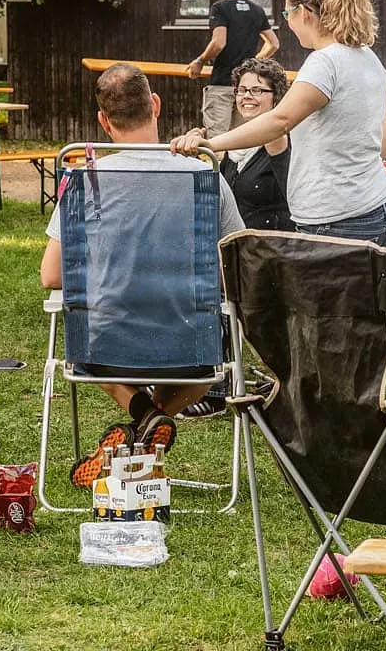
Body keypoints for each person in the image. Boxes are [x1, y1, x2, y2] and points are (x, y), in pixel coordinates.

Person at [40, 63, 245, 487]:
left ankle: (142, 418)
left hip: (105, 350)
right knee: (214, 348)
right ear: (155, 105)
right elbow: (238, 262)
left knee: (86, 332)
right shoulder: (204, 175)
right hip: (191, 349)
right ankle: (154, 420)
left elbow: (51, 275)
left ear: (102, 121)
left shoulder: (84, 181)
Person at [173, 0, 386, 248]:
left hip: (334, 218)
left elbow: (280, 120)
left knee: (322, 295)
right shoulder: (364, 56)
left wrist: (212, 145)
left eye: (288, 13)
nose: (288, 22)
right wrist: (366, 161)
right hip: (375, 205)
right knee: (365, 294)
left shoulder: (325, 62)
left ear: (305, 13)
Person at [187, 0, 280, 137]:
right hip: (244, 87)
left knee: (217, 140)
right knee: (240, 140)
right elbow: (274, 44)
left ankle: (218, 167)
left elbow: (219, 42)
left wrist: (200, 61)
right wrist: (251, 64)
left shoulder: (220, 8)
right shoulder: (257, 10)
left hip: (221, 84)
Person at [219, 56, 292, 232]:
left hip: (272, 248)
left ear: (276, 98)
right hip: (239, 247)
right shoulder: (235, 147)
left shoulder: (278, 140)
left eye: (257, 90)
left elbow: (271, 130)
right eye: (242, 90)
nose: (246, 96)